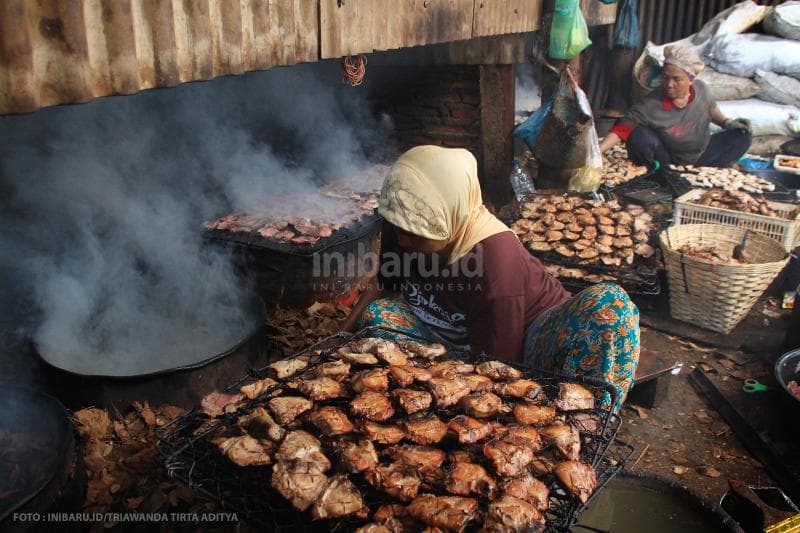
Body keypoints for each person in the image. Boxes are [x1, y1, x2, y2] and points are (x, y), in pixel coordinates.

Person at [343, 145, 640, 411]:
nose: (404, 240)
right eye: (400, 229)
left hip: (527, 342)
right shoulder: (402, 223)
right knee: (378, 317)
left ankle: (587, 423)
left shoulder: (495, 262)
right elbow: (384, 285)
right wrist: (339, 337)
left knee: (609, 308)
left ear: (452, 216)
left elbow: (498, 368)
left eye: (416, 234)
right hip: (454, 336)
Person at [598, 44, 752, 169]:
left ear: (691, 79)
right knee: (639, 136)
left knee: (742, 134)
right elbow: (622, 130)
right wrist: (597, 151)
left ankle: (709, 169)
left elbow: (710, 109)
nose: (669, 85)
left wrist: (727, 123)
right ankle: (662, 174)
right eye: (665, 78)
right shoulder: (650, 104)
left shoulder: (702, 90)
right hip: (668, 159)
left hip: (702, 155)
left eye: (677, 79)